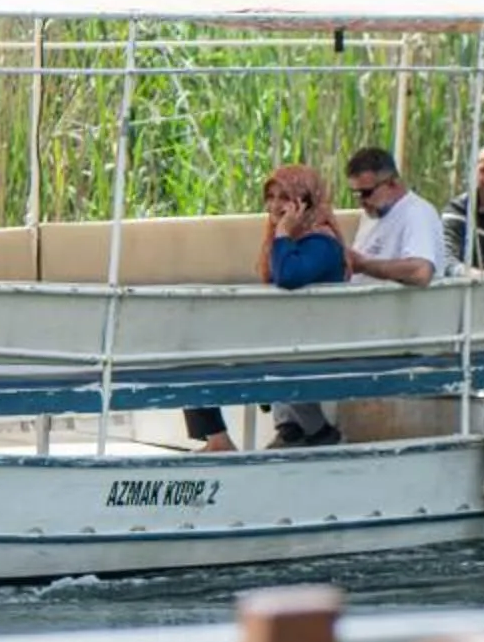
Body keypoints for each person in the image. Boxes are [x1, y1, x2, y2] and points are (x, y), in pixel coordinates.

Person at [186, 164, 351, 453]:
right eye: (271, 197)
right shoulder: (292, 239)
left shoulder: (320, 243)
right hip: (288, 337)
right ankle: (227, 438)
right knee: (193, 348)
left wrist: (283, 232)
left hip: (309, 342)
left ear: (305, 202)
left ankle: (316, 433)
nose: (274, 205)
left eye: (284, 198)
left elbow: (288, 278)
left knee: (199, 352)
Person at [340, 145, 449, 286]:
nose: (361, 201)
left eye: (366, 193)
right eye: (355, 193)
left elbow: (420, 272)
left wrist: (363, 265)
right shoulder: (372, 213)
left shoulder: (417, 213)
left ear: (393, 183)